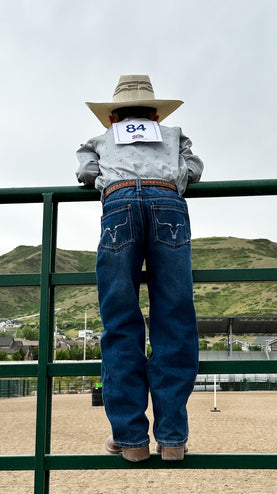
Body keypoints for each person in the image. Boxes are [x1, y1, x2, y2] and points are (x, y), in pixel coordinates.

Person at [76, 75, 203, 462]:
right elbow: (194, 168)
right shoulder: (175, 134)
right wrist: (172, 180)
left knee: (120, 322)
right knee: (174, 319)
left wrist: (108, 181)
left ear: (112, 116)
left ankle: (130, 439)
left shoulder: (99, 140)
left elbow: (85, 172)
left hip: (118, 208)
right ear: (154, 113)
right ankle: (172, 438)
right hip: (167, 203)